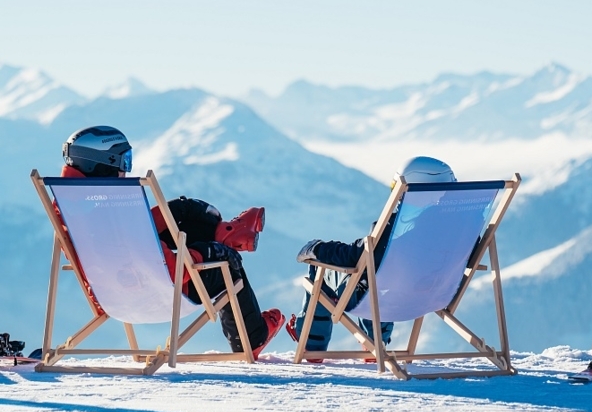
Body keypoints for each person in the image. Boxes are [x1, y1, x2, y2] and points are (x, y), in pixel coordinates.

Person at [59, 125, 285, 359]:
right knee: (227, 261)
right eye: (123, 162)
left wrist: (158, 219)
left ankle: (229, 231)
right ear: (102, 163)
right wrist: (204, 253)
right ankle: (252, 336)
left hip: (111, 293)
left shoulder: (69, 202)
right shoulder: (117, 205)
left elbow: (121, 244)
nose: (125, 171)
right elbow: (170, 272)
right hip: (156, 292)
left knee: (182, 213)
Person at [285, 156, 457, 361]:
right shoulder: (462, 231)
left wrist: (318, 248)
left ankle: (312, 344)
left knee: (325, 271)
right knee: (380, 278)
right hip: (435, 295)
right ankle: (374, 341)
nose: (396, 195)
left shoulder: (396, 229)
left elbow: (355, 256)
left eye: (397, 188)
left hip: (386, 299)